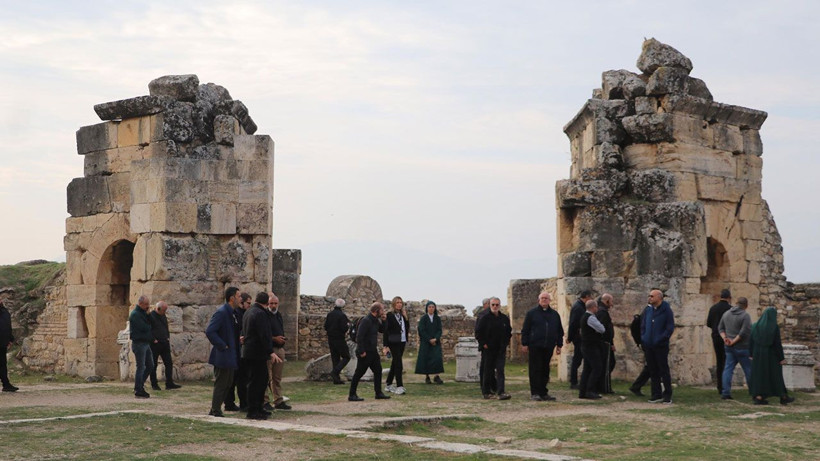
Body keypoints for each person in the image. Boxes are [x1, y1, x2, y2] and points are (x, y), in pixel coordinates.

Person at [242, 291, 283, 419]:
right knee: (257, 383)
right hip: (257, 353)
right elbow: (264, 335)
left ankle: (259, 408)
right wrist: (270, 352)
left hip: (249, 351)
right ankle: (253, 410)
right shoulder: (261, 314)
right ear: (266, 303)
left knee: (259, 381)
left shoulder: (249, 311)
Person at [521, 291, 564, 401]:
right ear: (539, 300)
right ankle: (535, 393)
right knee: (535, 369)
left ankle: (543, 392)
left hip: (548, 346)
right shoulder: (532, 313)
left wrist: (559, 345)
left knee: (545, 369)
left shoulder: (555, 314)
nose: (544, 300)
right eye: (542, 298)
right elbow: (525, 329)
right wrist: (524, 343)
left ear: (549, 300)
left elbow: (559, 330)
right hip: (535, 345)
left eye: (546, 298)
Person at [205, 287, 240, 417]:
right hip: (223, 355)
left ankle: (215, 407)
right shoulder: (222, 312)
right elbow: (210, 331)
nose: (240, 299)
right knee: (221, 383)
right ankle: (215, 410)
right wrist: (223, 345)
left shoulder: (232, 313)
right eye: (239, 296)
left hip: (230, 354)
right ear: (232, 298)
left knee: (228, 382)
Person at [749, 307, 794, 405]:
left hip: (757, 354)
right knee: (776, 375)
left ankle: (759, 396)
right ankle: (783, 396)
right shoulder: (774, 327)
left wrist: (751, 354)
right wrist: (781, 358)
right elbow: (777, 344)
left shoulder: (755, 326)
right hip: (771, 355)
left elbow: (751, 341)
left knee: (759, 375)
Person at [349, 302, 391, 401]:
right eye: (382, 309)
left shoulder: (376, 320)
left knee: (378, 370)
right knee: (359, 373)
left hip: (373, 351)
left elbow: (383, 330)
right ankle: (352, 394)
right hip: (365, 352)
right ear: (377, 310)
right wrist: (362, 351)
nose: (383, 311)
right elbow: (360, 336)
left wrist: (384, 320)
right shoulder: (366, 320)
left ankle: (378, 393)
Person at [641, 289, 675, 404]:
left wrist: (661, 339)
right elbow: (644, 324)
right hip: (649, 345)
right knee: (652, 370)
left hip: (660, 346)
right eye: (649, 296)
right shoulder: (648, 310)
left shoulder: (666, 310)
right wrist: (644, 337)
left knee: (663, 370)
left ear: (659, 298)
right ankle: (656, 394)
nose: (649, 298)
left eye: (652, 296)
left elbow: (669, 327)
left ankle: (667, 395)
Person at [475, 297, 512, 400]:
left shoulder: (504, 318)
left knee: (500, 370)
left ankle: (501, 391)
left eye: (497, 305)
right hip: (488, 349)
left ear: (499, 305)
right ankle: (486, 392)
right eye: (493, 305)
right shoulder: (484, 318)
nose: (495, 306)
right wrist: (484, 344)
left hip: (500, 349)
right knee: (488, 370)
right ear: (489, 305)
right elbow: (478, 332)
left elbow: (508, 332)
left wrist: (505, 343)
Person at [718, 296, 753, 400]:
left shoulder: (726, 313)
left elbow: (720, 328)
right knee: (749, 370)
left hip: (728, 346)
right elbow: (744, 332)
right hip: (742, 347)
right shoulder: (745, 316)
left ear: (736, 303)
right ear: (746, 306)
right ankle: (753, 391)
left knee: (728, 369)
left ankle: (725, 392)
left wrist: (725, 338)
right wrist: (734, 340)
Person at [264, 293, 290, 411]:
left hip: (280, 349)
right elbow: (263, 334)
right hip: (270, 349)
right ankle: (265, 401)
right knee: (266, 377)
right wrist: (274, 338)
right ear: (267, 304)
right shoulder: (264, 315)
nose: (273, 306)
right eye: (271, 303)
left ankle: (278, 400)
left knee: (277, 378)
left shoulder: (278, 315)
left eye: (275, 303)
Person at [224, 292, 251, 412]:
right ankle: (230, 403)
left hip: (241, 351)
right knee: (233, 379)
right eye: (248, 303)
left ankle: (243, 402)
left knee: (242, 379)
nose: (250, 305)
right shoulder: (235, 314)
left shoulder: (244, 314)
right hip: (236, 351)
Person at [147, 301, 181, 391]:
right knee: (153, 364)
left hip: (164, 343)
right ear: (158, 309)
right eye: (164, 310)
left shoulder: (163, 315)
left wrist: (167, 337)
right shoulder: (150, 316)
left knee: (169, 363)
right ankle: (154, 384)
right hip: (155, 344)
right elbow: (147, 330)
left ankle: (169, 383)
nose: (165, 312)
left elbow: (165, 327)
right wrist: (153, 339)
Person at [706, 289, 732, 394]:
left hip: (716, 336)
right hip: (727, 337)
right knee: (726, 362)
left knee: (719, 361)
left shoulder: (713, 308)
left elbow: (708, 323)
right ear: (729, 297)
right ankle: (725, 386)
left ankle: (719, 386)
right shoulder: (730, 309)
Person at [579, 300, 606, 400]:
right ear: (593, 307)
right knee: (597, 368)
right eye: (596, 307)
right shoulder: (590, 317)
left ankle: (583, 391)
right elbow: (602, 329)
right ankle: (590, 390)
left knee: (587, 369)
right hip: (591, 346)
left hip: (586, 345)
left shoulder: (584, 316)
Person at [129, 295, 154, 399]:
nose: (148, 306)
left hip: (145, 343)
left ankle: (139, 385)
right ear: (141, 304)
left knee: (150, 365)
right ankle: (139, 390)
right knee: (141, 367)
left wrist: (149, 315)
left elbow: (152, 322)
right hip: (139, 343)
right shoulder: (135, 314)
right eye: (146, 304)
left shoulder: (143, 313)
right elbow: (144, 328)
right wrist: (149, 326)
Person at [383, 296, 409, 395]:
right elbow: (386, 331)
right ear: (394, 304)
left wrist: (406, 318)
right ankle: (399, 386)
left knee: (395, 363)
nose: (399, 304)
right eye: (397, 302)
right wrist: (385, 345)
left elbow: (407, 328)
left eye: (401, 302)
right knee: (398, 363)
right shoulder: (389, 315)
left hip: (402, 341)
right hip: (393, 341)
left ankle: (388, 384)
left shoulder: (403, 315)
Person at [567, 290, 593, 389]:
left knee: (579, 359)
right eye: (590, 298)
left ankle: (579, 381)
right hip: (578, 338)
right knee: (577, 359)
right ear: (586, 297)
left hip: (579, 337)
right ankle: (573, 382)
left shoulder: (580, 306)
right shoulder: (578, 307)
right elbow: (573, 323)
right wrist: (570, 337)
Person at [415, 301, 444, 384]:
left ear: (435, 308)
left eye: (433, 307)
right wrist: (429, 339)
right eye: (429, 307)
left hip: (436, 342)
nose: (431, 308)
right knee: (426, 359)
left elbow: (439, 330)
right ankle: (427, 377)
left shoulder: (437, 318)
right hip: (426, 342)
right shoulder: (423, 318)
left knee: (437, 358)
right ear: (427, 308)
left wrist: (435, 339)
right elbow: (421, 330)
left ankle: (436, 376)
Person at [324, 298, 350, 385]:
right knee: (346, 357)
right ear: (343, 306)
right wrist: (348, 326)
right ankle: (335, 372)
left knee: (335, 358)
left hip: (331, 339)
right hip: (339, 339)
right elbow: (344, 328)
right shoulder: (342, 315)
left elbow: (325, 326)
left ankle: (336, 379)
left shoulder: (330, 314)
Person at [475, 298, 496, 393]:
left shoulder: (496, 315)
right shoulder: (483, 315)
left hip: (494, 344)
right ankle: (486, 386)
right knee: (486, 367)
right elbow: (478, 331)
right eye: (490, 304)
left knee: (491, 367)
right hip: (486, 345)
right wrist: (483, 343)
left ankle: (493, 385)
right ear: (485, 305)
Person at [596, 293, 616, 394]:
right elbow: (603, 329)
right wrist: (608, 342)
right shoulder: (602, 312)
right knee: (607, 365)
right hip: (604, 343)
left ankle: (602, 386)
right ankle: (604, 387)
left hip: (606, 343)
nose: (612, 304)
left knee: (608, 364)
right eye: (611, 301)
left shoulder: (601, 311)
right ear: (607, 301)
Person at [628, 311, 650, 397]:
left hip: (645, 342)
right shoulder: (648, 312)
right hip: (647, 342)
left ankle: (636, 386)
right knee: (651, 366)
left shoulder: (646, 311)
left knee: (651, 366)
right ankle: (636, 386)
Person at [0, 300, 18, 392]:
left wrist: (10, 339)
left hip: (2, 343)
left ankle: (6, 384)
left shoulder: (4, 311)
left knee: (3, 365)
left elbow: (7, 326)